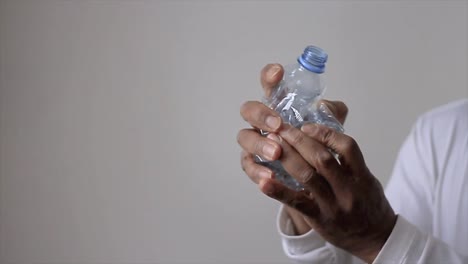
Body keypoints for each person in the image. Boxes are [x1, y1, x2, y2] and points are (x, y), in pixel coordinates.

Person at [237, 63, 468, 263]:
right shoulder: (440, 132)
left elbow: (382, 244)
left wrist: (376, 239)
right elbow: (375, 256)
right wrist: (305, 186)